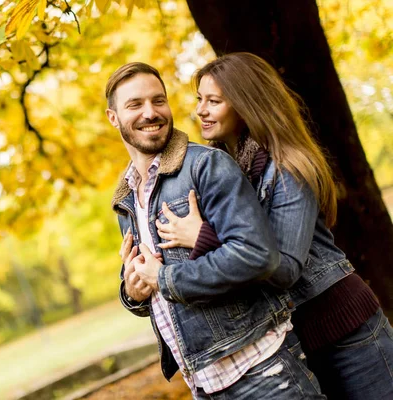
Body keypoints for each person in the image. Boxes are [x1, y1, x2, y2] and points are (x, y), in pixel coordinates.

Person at [152, 52, 393, 399]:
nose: (200, 111)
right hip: (291, 340)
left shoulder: (288, 167)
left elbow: (285, 269)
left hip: (346, 327)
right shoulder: (222, 172)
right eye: (199, 100)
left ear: (245, 104)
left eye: (214, 101)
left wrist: (202, 236)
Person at [106, 62, 324, 399]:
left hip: (261, 371)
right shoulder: (126, 198)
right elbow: (151, 285)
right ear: (113, 117)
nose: (150, 112)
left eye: (158, 100)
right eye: (135, 105)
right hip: (203, 384)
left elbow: (256, 256)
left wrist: (164, 278)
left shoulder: (205, 166)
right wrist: (132, 293)